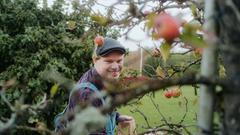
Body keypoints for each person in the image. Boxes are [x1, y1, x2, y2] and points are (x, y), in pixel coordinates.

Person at [54, 37, 136, 135]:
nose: (115, 67)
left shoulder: (104, 80)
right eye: (109, 61)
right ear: (95, 60)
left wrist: (116, 117)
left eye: (119, 61)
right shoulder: (87, 94)